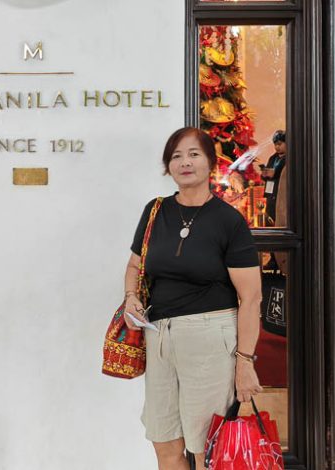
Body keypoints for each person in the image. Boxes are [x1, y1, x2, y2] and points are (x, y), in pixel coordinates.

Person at [123, 127, 263, 470]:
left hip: (210, 338)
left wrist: (245, 362)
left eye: (193, 154)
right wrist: (131, 298)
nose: (184, 162)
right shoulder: (155, 211)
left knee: (206, 450)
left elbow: (251, 298)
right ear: (167, 166)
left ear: (211, 163)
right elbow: (134, 264)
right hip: (159, 337)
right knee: (164, 440)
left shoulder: (229, 221)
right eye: (176, 156)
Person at [260, 130, 287, 225]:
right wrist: (264, 174)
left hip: (281, 194)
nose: (277, 147)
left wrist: (275, 173)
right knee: (269, 216)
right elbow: (266, 175)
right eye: (275, 144)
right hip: (270, 193)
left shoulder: (290, 158)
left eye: (280, 144)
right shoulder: (273, 158)